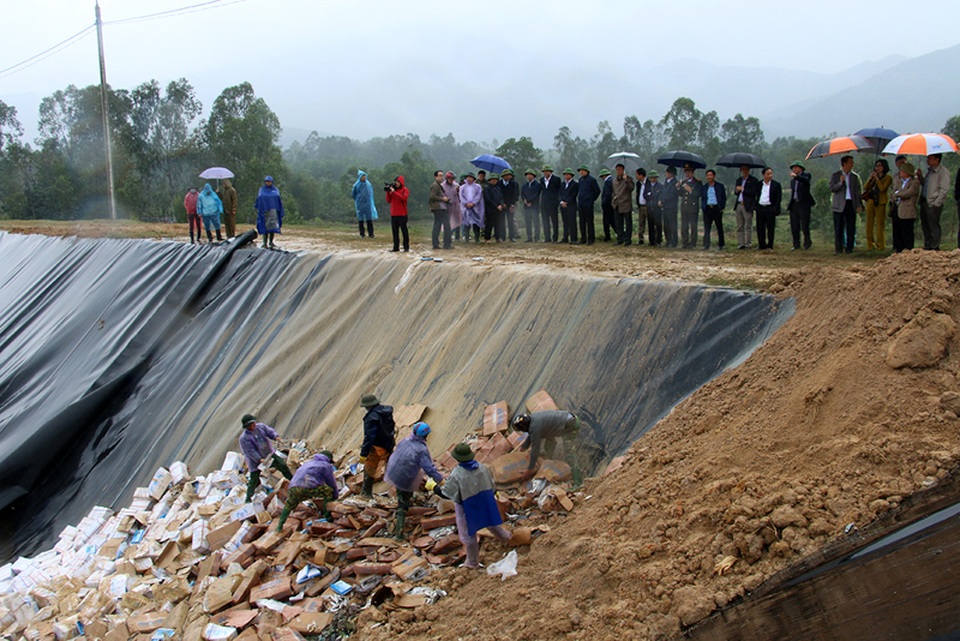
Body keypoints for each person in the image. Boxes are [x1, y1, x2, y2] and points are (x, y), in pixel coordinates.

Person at [436, 443, 513, 569]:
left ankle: (472, 562)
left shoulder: (457, 474)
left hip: (467, 506)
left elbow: (447, 493)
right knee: (489, 521)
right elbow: (491, 484)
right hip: (484, 500)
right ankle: (506, 538)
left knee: (469, 533)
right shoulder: (481, 467)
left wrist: (435, 488)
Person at [385, 422, 444, 538]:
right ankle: (399, 534)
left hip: (393, 471)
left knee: (404, 492)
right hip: (404, 477)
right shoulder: (421, 449)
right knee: (402, 504)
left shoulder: (405, 441)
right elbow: (429, 469)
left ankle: (409, 500)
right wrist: (440, 480)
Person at [513, 410, 582, 487]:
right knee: (549, 440)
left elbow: (535, 449)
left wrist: (529, 469)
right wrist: (524, 446)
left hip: (571, 424)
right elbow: (531, 435)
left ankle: (578, 483)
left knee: (570, 453)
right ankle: (549, 457)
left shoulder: (535, 427)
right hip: (568, 419)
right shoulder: (533, 419)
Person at [276, 450, 339, 531]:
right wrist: (335, 496)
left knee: (289, 505)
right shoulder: (326, 465)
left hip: (293, 487)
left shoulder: (308, 463)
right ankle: (328, 516)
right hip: (308, 486)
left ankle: (279, 526)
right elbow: (331, 482)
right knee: (328, 491)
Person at [239, 414, 293, 503]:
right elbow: (250, 451)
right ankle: (248, 498)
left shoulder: (261, 427)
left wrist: (276, 437)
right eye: (250, 425)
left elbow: (270, 431)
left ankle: (293, 481)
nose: (252, 426)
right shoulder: (244, 438)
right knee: (254, 480)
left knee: (282, 465)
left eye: (253, 424)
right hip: (255, 461)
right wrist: (259, 459)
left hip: (268, 454)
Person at [359, 394, 396, 498]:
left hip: (377, 447)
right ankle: (400, 488)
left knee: (369, 468)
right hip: (389, 443)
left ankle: (366, 493)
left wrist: (363, 454)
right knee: (392, 465)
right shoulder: (387, 411)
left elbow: (369, 437)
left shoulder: (371, 418)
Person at [829, 155, 862, 254]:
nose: (852, 164)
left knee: (851, 226)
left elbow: (857, 192)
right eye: (850, 162)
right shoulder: (836, 175)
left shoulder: (854, 177)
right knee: (839, 227)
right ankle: (839, 248)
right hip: (839, 205)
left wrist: (859, 204)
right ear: (844, 163)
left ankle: (849, 248)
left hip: (850, 203)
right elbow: (832, 188)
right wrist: (840, 182)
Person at [919, 153, 950, 251]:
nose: (928, 160)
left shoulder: (942, 172)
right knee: (925, 225)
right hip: (925, 200)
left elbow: (944, 189)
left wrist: (937, 203)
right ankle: (928, 245)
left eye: (931, 158)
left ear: (937, 159)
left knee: (933, 225)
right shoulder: (930, 172)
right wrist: (920, 177)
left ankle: (934, 246)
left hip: (933, 202)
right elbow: (926, 185)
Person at [862, 158, 892, 251]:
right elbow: (866, 187)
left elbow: (883, 188)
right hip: (871, 201)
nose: (877, 168)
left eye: (879, 166)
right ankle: (870, 244)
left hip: (880, 201)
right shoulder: (873, 177)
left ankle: (881, 244)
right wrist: (871, 178)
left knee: (880, 224)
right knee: (869, 223)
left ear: (884, 167)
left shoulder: (888, 178)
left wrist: (878, 179)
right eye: (876, 166)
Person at [786, 160, 815, 251]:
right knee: (794, 225)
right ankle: (796, 244)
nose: (794, 169)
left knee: (805, 225)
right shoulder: (793, 181)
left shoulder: (806, 176)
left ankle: (807, 243)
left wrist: (797, 177)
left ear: (801, 168)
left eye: (796, 167)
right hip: (794, 204)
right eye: (793, 168)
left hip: (804, 204)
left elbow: (806, 181)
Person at [891, 162, 919, 253]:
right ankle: (898, 249)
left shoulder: (914, 182)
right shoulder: (899, 181)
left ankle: (908, 250)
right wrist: (896, 195)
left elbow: (908, 193)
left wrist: (898, 194)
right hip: (897, 207)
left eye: (902, 171)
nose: (900, 173)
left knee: (906, 231)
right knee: (897, 230)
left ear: (907, 173)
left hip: (907, 210)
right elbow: (893, 193)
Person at [755, 167, 782, 250]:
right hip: (760, 208)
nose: (770, 175)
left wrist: (775, 208)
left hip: (770, 208)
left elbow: (778, 198)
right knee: (760, 227)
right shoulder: (759, 184)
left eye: (771, 173)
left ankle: (770, 245)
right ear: (763, 175)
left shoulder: (776, 185)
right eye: (768, 174)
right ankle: (761, 244)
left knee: (770, 228)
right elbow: (755, 195)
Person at [733, 165, 760, 249]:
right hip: (739, 204)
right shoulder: (739, 180)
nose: (744, 171)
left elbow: (753, 192)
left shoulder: (754, 180)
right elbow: (736, 193)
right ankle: (741, 243)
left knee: (748, 226)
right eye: (743, 169)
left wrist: (743, 189)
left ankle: (748, 243)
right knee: (740, 226)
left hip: (747, 205)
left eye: (746, 169)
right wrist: (737, 190)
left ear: (749, 170)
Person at [255, 176, 285, 249]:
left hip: (273, 210)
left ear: (272, 182)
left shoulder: (275, 190)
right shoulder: (262, 190)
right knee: (265, 226)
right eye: (267, 181)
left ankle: (271, 242)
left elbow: (278, 198)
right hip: (264, 211)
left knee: (272, 226)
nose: (268, 183)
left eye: (269, 181)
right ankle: (264, 243)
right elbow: (259, 198)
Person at [701, 169, 726, 250]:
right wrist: (703, 207)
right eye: (708, 175)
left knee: (719, 227)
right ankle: (706, 245)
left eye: (710, 175)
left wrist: (722, 207)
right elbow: (703, 198)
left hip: (716, 208)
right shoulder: (704, 187)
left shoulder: (719, 186)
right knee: (707, 228)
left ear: (714, 176)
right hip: (707, 208)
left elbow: (723, 197)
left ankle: (721, 245)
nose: (709, 177)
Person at [679, 165, 702, 249]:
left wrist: (691, 191)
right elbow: (680, 194)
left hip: (693, 207)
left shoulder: (697, 182)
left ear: (693, 173)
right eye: (686, 172)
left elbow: (699, 194)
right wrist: (678, 187)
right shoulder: (683, 182)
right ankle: (685, 242)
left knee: (693, 226)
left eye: (689, 172)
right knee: (684, 226)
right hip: (684, 207)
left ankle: (693, 243)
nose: (687, 174)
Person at [385, 175, 410, 252]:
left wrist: (394, 192)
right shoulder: (393, 190)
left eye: (398, 182)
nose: (396, 183)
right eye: (395, 182)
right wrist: (388, 192)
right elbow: (388, 200)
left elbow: (404, 198)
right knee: (395, 232)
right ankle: (396, 247)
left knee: (404, 231)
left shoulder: (405, 190)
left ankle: (406, 247)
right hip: (394, 214)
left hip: (402, 214)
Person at [611, 163, 635, 246]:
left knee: (628, 223)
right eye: (617, 169)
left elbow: (631, 188)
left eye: (620, 169)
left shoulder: (628, 179)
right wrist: (613, 200)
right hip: (617, 204)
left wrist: (626, 180)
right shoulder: (614, 180)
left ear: (623, 170)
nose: (619, 171)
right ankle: (620, 238)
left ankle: (628, 239)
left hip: (626, 204)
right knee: (618, 223)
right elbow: (613, 191)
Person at [428, 170, 452, 250]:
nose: (441, 177)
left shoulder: (439, 185)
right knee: (446, 225)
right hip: (438, 208)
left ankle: (436, 244)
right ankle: (446, 244)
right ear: (436, 177)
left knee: (437, 226)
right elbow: (432, 196)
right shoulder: (435, 185)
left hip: (440, 208)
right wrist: (442, 199)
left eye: (442, 175)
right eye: (440, 175)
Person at [576, 165, 600, 245]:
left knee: (589, 222)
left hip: (588, 204)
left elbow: (597, 191)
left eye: (583, 170)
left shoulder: (592, 180)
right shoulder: (580, 180)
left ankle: (591, 239)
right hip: (581, 203)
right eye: (580, 171)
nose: (581, 172)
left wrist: (591, 199)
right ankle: (583, 238)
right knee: (582, 222)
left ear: (586, 171)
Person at [352, 170, 378, 238]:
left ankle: (371, 234)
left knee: (369, 219)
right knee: (361, 219)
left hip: (367, 204)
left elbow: (371, 193)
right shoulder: (356, 185)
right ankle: (362, 234)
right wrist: (358, 199)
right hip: (360, 204)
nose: (364, 178)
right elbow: (353, 194)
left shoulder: (368, 184)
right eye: (362, 176)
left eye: (365, 176)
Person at [460, 173, 484, 243]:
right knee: (466, 223)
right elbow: (461, 196)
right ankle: (466, 238)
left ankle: (477, 238)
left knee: (476, 223)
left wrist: (473, 203)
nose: (469, 179)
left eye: (471, 177)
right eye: (468, 177)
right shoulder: (462, 187)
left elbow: (479, 195)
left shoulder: (478, 186)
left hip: (475, 207)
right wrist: (466, 203)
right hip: (466, 207)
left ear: (473, 179)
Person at [540, 165, 562, 243]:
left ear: (550, 172)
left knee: (554, 221)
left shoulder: (556, 179)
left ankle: (555, 238)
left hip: (553, 203)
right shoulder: (542, 180)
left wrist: (558, 201)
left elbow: (559, 191)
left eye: (547, 171)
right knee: (545, 221)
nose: (545, 173)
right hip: (544, 203)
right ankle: (547, 237)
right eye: (544, 172)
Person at [659, 166, 680, 248]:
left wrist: (663, 201)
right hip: (665, 207)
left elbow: (671, 194)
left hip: (672, 207)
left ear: (671, 174)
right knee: (666, 225)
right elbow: (662, 192)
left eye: (667, 172)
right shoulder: (665, 182)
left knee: (672, 225)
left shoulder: (675, 183)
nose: (666, 174)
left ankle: (674, 241)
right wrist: (660, 200)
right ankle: (668, 240)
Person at [483, 173, 506, 242]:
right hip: (490, 209)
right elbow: (488, 199)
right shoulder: (487, 188)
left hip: (498, 209)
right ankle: (487, 238)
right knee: (489, 224)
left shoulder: (498, 188)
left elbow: (501, 197)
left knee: (498, 224)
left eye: (495, 180)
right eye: (492, 179)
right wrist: (496, 206)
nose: (494, 181)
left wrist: (501, 204)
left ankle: (497, 237)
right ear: (489, 180)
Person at [499, 169, 521, 241]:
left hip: (510, 204)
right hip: (502, 205)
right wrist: (502, 203)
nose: (508, 177)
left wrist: (512, 205)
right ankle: (502, 237)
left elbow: (516, 194)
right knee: (501, 221)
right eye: (506, 175)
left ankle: (512, 236)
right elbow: (498, 194)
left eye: (509, 175)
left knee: (510, 220)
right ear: (503, 176)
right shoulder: (499, 183)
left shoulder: (514, 183)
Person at [520, 169, 542, 242]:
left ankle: (537, 237)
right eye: (527, 175)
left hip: (534, 206)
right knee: (528, 222)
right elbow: (522, 194)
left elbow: (536, 194)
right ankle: (529, 237)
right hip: (526, 207)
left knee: (536, 222)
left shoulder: (537, 185)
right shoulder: (524, 186)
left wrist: (530, 201)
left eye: (530, 175)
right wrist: (525, 200)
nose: (528, 176)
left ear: (533, 176)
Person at [558, 168, 579, 243]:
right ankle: (565, 237)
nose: (566, 176)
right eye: (565, 175)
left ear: (571, 175)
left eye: (568, 174)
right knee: (565, 222)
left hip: (571, 206)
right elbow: (559, 194)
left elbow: (573, 195)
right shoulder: (562, 184)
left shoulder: (575, 184)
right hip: (562, 206)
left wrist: (566, 202)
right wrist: (561, 202)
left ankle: (574, 238)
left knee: (572, 222)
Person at [645, 170, 663, 246]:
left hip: (657, 208)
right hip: (649, 207)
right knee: (650, 224)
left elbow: (660, 195)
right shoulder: (648, 186)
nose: (653, 179)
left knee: (658, 224)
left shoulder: (660, 186)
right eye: (651, 177)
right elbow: (645, 195)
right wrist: (650, 196)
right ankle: (651, 240)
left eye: (654, 177)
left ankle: (658, 240)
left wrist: (653, 197)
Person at [442, 172, 461, 241]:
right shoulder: (442, 186)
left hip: (455, 205)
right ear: (447, 178)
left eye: (453, 179)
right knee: (447, 222)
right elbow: (441, 195)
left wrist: (458, 191)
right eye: (451, 179)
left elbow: (459, 195)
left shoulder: (456, 185)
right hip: (446, 206)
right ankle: (447, 236)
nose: (452, 180)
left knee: (457, 220)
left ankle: (457, 236)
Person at [599, 168, 614, 241]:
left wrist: (604, 202)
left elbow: (608, 194)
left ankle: (607, 236)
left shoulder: (608, 181)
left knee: (607, 221)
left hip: (607, 205)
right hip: (611, 204)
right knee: (612, 220)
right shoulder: (612, 180)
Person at [635, 168, 649, 245]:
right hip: (641, 206)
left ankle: (653, 239)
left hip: (648, 206)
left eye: (637, 174)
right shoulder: (638, 183)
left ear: (641, 175)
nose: (636, 176)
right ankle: (640, 239)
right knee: (641, 223)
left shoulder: (648, 182)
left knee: (650, 223)